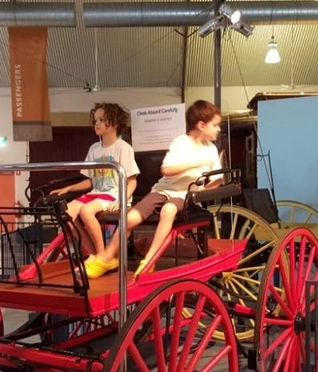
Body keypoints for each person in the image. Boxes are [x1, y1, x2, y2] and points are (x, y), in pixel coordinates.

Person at [85, 100, 224, 279]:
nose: (218, 129)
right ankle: (107, 257)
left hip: (186, 194)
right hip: (163, 188)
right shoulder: (181, 143)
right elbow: (167, 169)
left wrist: (205, 188)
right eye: (215, 125)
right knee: (130, 218)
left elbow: (216, 180)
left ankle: (149, 260)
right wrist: (196, 163)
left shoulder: (211, 150)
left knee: (168, 210)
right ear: (201, 125)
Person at [49, 103, 140, 257]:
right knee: (66, 211)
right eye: (96, 120)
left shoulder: (123, 148)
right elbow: (91, 181)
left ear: (115, 123)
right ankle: (93, 254)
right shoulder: (94, 149)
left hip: (115, 194)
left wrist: (122, 200)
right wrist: (69, 188)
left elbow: (132, 181)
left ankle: (102, 255)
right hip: (97, 193)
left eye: (102, 119)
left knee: (86, 211)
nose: (97, 123)